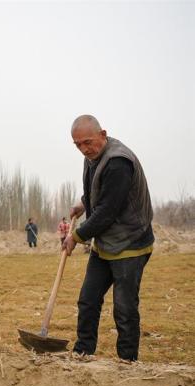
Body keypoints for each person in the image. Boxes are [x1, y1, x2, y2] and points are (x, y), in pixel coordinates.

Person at [63, 115, 153, 362]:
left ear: (103, 134)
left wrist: (76, 236)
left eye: (87, 142)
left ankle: (127, 362)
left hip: (130, 242)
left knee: (124, 309)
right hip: (104, 244)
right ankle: (82, 354)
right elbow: (98, 191)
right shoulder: (92, 157)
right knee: (88, 300)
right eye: (78, 144)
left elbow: (107, 211)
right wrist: (83, 203)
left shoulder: (118, 162)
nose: (83, 149)